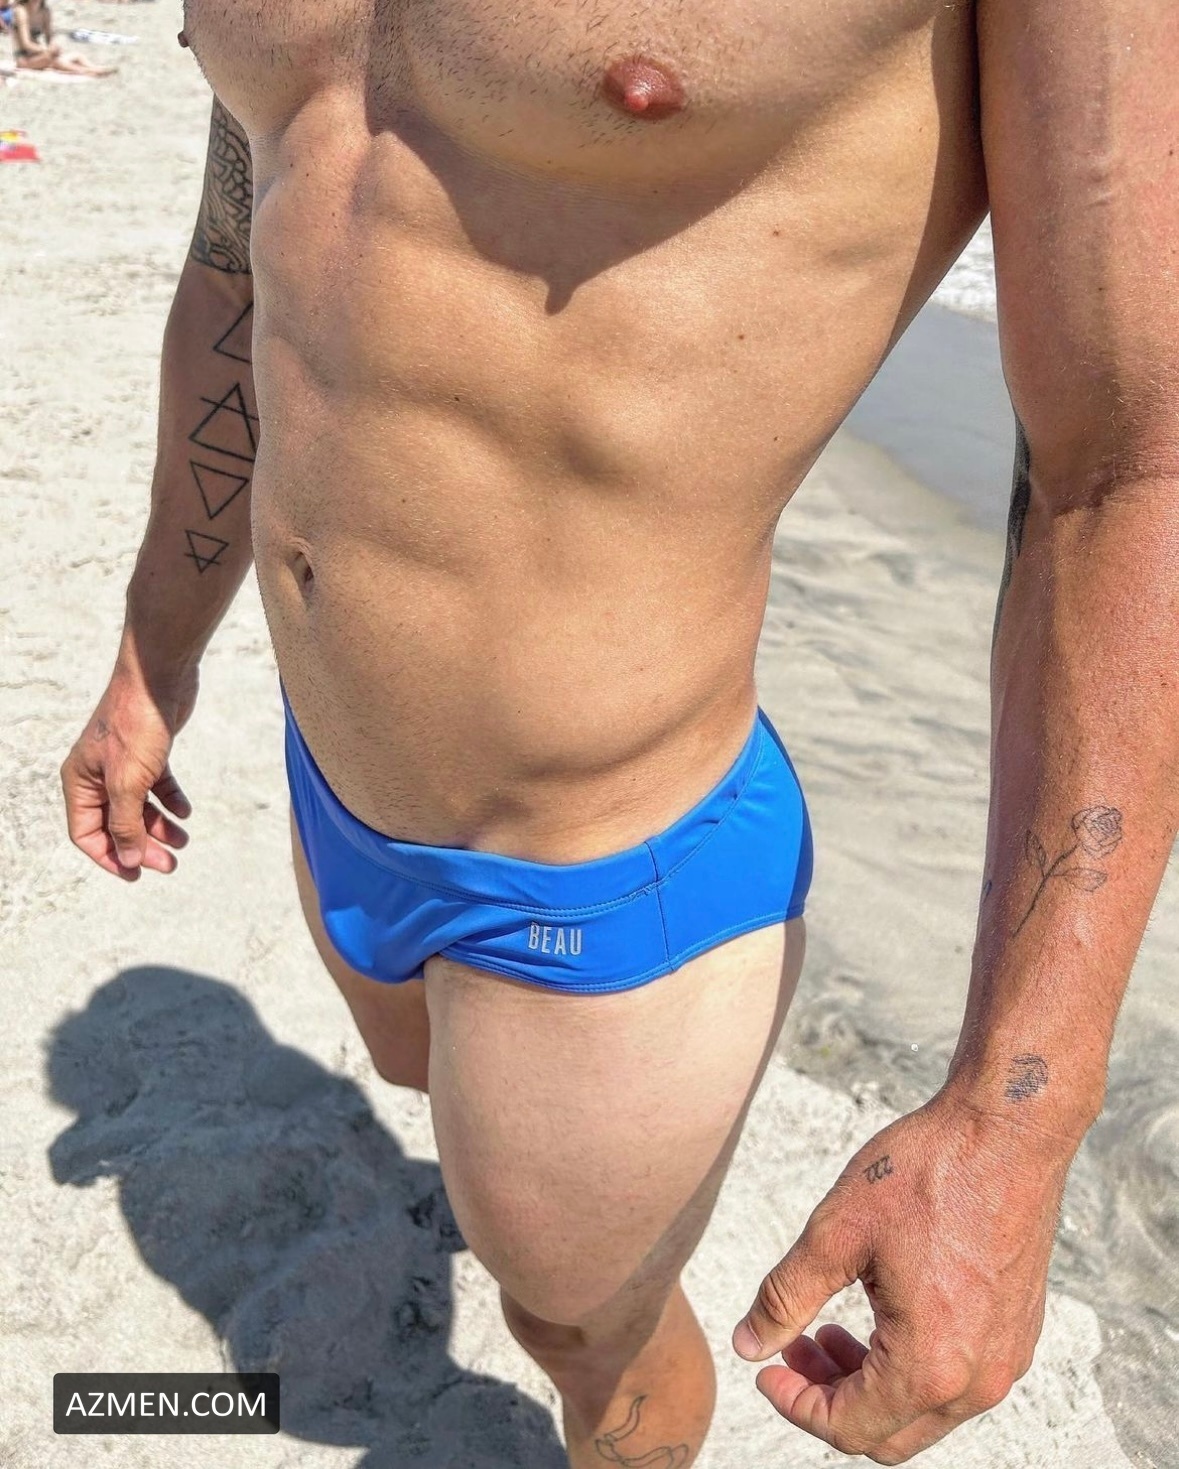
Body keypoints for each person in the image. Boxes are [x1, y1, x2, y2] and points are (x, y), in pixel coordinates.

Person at [59, 2, 1177, 1463]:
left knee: (583, 1336)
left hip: (605, 878)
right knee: (423, 1087)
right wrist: (153, 654)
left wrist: (1014, 1122)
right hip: (332, 781)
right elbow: (243, 248)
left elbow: (1127, 459)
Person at [10, 0, 115, 76]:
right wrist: (46, 50)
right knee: (52, 59)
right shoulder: (21, 11)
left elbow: (49, 37)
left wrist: (53, 47)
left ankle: (94, 67)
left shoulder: (45, 11)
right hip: (24, 58)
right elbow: (26, 44)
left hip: (39, 54)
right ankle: (87, 71)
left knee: (77, 56)